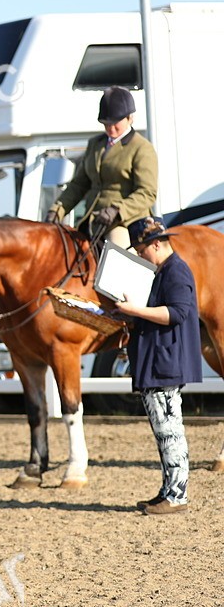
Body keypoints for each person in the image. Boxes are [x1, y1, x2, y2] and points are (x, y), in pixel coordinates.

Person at [115, 217, 200, 515]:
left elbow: (177, 313)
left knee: (170, 431)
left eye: (140, 250)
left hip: (165, 362)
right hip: (160, 360)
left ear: (156, 244)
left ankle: (176, 495)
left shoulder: (175, 271)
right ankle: (169, 490)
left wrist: (134, 310)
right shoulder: (165, 271)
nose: (139, 256)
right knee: (164, 431)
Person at [46, 86, 158, 251]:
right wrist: (57, 210)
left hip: (124, 222)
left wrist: (117, 211)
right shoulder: (95, 145)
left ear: (130, 118)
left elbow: (147, 193)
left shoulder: (142, 148)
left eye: (116, 123)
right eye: (106, 124)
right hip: (92, 221)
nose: (111, 129)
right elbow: (79, 185)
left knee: (117, 253)